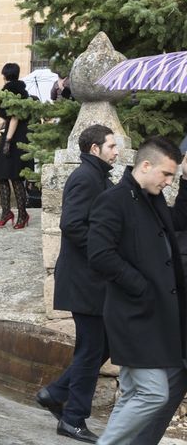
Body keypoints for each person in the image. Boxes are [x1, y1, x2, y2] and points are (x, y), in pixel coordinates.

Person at [88, 136, 187, 444]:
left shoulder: (151, 197)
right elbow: (100, 254)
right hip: (132, 315)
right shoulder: (113, 200)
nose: (169, 182)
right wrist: (141, 286)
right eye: (166, 174)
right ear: (146, 165)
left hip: (153, 315)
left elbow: (178, 223)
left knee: (132, 393)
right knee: (154, 393)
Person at [35, 125, 118, 443]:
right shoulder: (85, 178)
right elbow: (71, 224)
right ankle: (72, 419)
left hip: (92, 279)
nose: (116, 151)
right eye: (111, 146)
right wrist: (103, 250)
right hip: (84, 279)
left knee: (103, 345)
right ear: (94, 149)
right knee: (91, 348)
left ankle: (55, 393)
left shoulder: (99, 177)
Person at [0, 63, 34, 230]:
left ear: (5, 75)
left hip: (15, 139)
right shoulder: (22, 92)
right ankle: (7, 213)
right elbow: (8, 121)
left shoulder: (11, 91)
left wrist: (7, 141)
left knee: (14, 177)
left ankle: (22, 214)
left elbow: (14, 118)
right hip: (17, 136)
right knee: (2, 175)